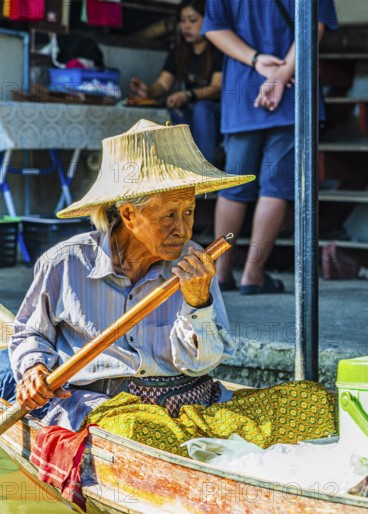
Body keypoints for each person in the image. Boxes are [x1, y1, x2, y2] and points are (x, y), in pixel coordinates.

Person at [1, 119, 254, 431]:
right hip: (107, 409)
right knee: (142, 431)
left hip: (189, 403)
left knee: (310, 401)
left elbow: (202, 363)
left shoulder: (194, 265)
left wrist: (197, 304)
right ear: (129, 215)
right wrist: (34, 368)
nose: (183, 229)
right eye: (169, 215)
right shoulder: (65, 263)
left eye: (188, 211)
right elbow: (31, 333)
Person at [202, 0, 338, 294]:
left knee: (234, 185)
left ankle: (221, 274)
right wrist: (281, 74)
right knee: (276, 185)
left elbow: (214, 28)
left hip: (243, 89)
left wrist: (256, 60)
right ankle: (253, 273)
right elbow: (313, 27)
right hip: (292, 88)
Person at [130, 0, 223, 165]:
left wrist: (188, 95)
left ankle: (205, 169)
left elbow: (216, 88)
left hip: (216, 113)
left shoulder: (218, 50)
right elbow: (163, 85)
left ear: (208, 20)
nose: (186, 26)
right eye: (183, 20)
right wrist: (148, 91)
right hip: (189, 109)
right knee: (167, 111)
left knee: (202, 108)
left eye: (192, 20)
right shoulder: (179, 51)